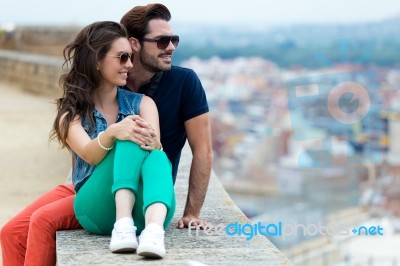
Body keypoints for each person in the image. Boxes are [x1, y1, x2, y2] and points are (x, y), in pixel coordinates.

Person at [0, 3, 212, 266]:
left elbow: (198, 149)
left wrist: (192, 212)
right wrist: (114, 132)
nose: (170, 47)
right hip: (89, 183)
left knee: (44, 219)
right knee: (10, 232)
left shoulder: (161, 93)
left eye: (173, 40)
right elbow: (88, 153)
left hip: (140, 188)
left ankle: (134, 225)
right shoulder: (78, 107)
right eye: (161, 41)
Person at [51, 20, 175, 258]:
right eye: (121, 57)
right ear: (97, 60)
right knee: (130, 133)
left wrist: (153, 144)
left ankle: (153, 231)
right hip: (96, 208)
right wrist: (113, 132)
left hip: (147, 209)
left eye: (130, 57)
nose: (129, 65)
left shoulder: (144, 104)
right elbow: (88, 154)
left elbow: (153, 150)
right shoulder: (71, 113)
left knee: (157, 156)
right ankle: (123, 223)